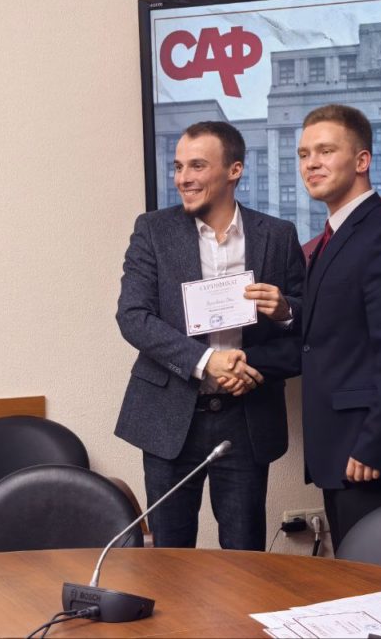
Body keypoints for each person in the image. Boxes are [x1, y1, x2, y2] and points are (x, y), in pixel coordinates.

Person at [246, 104, 381, 548]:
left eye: (326, 151)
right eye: (304, 154)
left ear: (362, 160)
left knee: (377, 583)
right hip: (342, 453)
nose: (311, 163)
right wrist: (274, 327)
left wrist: (375, 445)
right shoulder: (338, 235)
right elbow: (334, 334)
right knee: (352, 579)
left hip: (370, 458)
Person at [115, 121, 305, 551]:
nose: (183, 178)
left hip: (246, 418)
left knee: (244, 556)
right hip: (169, 414)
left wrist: (284, 313)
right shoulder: (153, 230)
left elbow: (306, 326)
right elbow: (133, 317)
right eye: (178, 166)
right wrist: (206, 362)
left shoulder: (277, 235)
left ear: (234, 170)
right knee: (170, 556)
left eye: (197, 165)